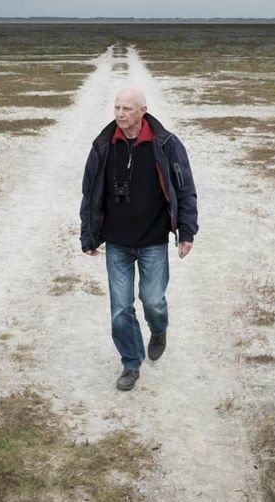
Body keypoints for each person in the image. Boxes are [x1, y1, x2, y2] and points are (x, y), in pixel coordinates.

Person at [79, 85, 198, 391]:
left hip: (153, 240)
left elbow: (185, 189)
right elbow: (89, 192)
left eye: (127, 109)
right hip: (117, 242)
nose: (120, 114)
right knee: (120, 309)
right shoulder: (103, 145)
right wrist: (89, 234)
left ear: (142, 111)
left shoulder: (166, 144)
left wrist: (187, 231)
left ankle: (158, 330)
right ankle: (131, 363)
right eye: (117, 108)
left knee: (153, 300)